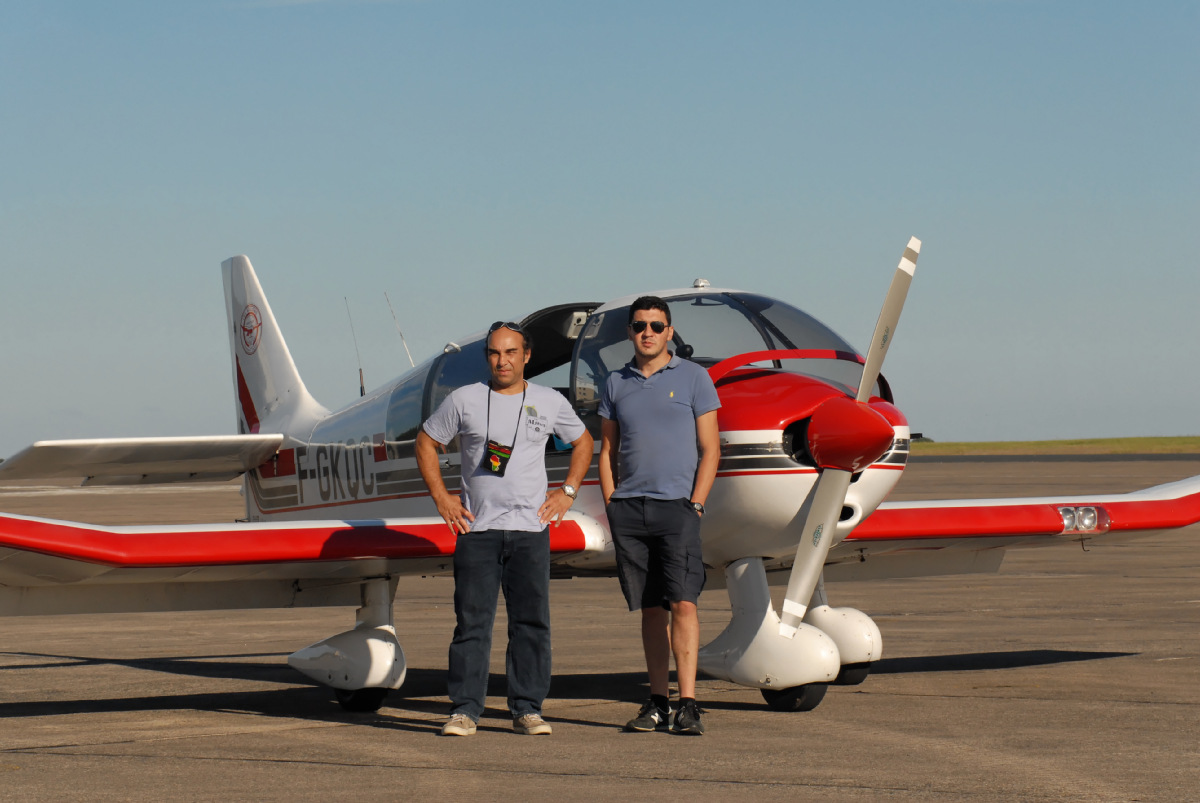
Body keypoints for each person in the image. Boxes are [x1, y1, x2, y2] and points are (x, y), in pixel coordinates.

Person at [416, 321, 593, 737]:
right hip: (477, 530)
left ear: (526, 356)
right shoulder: (465, 400)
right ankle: (464, 710)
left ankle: (527, 709)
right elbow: (426, 442)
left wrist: (566, 492)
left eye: (511, 352)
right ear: (488, 357)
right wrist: (443, 498)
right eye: (495, 353)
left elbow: (582, 443)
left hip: (531, 530)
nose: (503, 360)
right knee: (472, 623)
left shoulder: (549, 401)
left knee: (531, 623)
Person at [598, 295, 721, 736]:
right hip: (630, 511)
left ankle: (689, 704)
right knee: (651, 610)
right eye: (638, 325)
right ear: (630, 332)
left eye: (655, 325)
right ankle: (656, 703)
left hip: (678, 510)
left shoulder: (694, 378)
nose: (646, 332)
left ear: (670, 331)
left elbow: (711, 450)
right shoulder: (615, 383)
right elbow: (608, 450)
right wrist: (613, 504)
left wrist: (697, 504)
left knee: (683, 604)